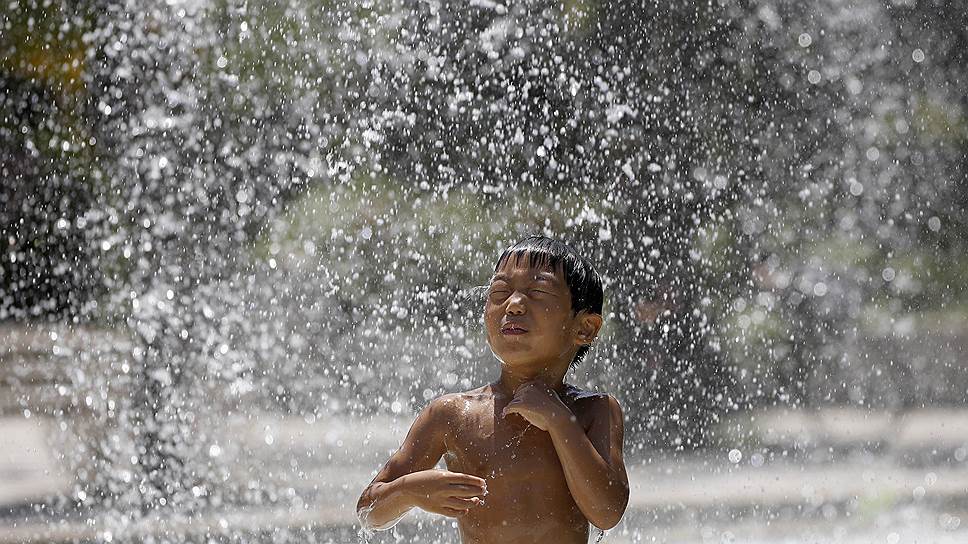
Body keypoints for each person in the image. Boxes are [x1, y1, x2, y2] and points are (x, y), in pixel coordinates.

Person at [356, 235, 629, 543]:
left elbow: (607, 511)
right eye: (499, 292)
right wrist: (408, 491)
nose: (513, 304)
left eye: (538, 293)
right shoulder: (453, 415)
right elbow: (369, 511)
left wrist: (558, 420)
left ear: (585, 328)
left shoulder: (594, 410)